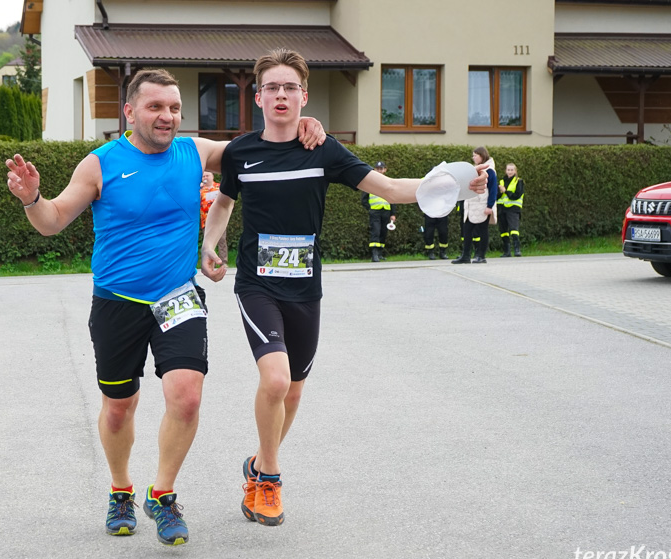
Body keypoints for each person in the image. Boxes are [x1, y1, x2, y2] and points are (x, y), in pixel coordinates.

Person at [4, 69, 325, 547]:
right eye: (156, 107)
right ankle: (120, 491)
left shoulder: (194, 152)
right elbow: (52, 221)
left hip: (178, 296)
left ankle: (164, 494)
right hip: (117, 302)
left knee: (187, 396)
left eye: (174, 108)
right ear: (130, 111)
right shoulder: (100, 164)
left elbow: (261, 144)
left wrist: (304, 121)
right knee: (119, 407)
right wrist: (32, 198)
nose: (168, 116)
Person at [199, 48, 487, 528]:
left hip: (305, 290)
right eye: (272, 87)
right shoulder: (241, 152)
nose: (281, 95)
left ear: (303, 96)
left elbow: (390, 188)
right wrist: (210, 246)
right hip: (257, 285)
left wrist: (457, 186)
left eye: (290, 87)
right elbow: (225, 203)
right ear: (258, 97)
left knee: (292, 392)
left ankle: (256, 462)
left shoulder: (323, 150)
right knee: (273, 379)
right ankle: (268, 481)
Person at [452, 146, 497, 264]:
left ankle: (481, 256)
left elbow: (493, 190)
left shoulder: (490, 171)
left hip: (482, 205)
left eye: (475, 155)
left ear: (482, 156)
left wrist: (489, 206)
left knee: (483, 231)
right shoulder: (474, 170)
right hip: (471, 205)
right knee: (467, 231)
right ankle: (465, 255)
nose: (473, 157)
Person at [361, 161, 396, 262]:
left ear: (385, 170)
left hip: (386, 211)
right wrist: (370, 209)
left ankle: (380, 253)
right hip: (375, 212)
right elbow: (364, 199)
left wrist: (393, 214)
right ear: (375, 170)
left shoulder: (389, 182)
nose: (380, 171)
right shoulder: (370, 182)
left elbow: (393, 198)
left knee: (383, 232)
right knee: (375, 231)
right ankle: (374, 254)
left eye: (381, 169)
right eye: (378, 169)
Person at [497, 163, 525, 257]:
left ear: (515, 171)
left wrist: (506, 191)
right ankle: (507, 251)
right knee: (503, 231)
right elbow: (496, 196)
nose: (509, 172)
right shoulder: (501, 181)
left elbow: (517, 195)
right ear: (505, 171)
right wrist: (500, 192)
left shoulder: (518, 181)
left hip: (513, 208)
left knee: (514, 229)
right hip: (501, 208)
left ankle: (517, 250)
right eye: (508, 170)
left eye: (511, 170)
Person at [200, 171, 229, 263]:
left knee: (222, 240)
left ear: (212, 176)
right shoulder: (200, 190)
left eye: (207, 175)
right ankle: (209, 262)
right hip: (206, 220)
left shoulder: (219, 187)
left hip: (219, 219)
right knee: (208, 243)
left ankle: (223, 262)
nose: (205, 177)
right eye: (203, 176)